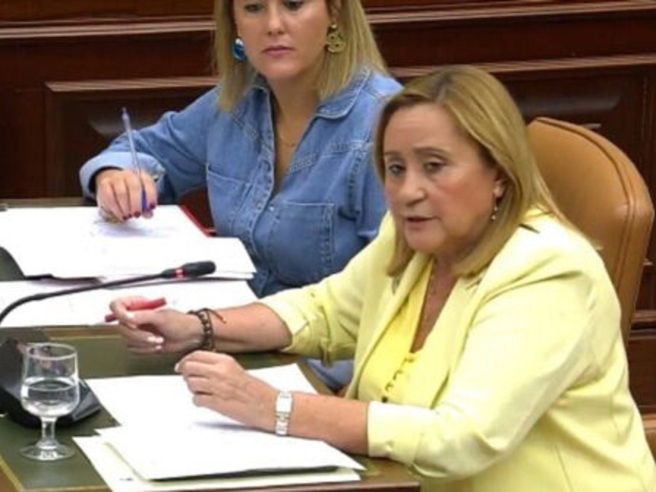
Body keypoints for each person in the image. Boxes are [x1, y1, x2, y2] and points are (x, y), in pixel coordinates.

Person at [109, 65, 656, 491]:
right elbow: (326, 310)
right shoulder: (417, 237)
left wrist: (274, 408)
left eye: (434, 166)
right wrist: (199, 326)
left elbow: (461, 438)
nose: (408, 191)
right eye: (395, 168)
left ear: (498, 173)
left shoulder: (549, 272)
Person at [81, 0, 400, 389]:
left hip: (322, 364)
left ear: (335, 12)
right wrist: (115, 176)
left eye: (294, 4)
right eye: (253, 8)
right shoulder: (237, 101)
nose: (273, 24)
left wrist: (228, 348)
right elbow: (147, 151)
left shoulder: (384, 125)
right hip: (226, 337)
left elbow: (391, 307)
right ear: (234, 24)